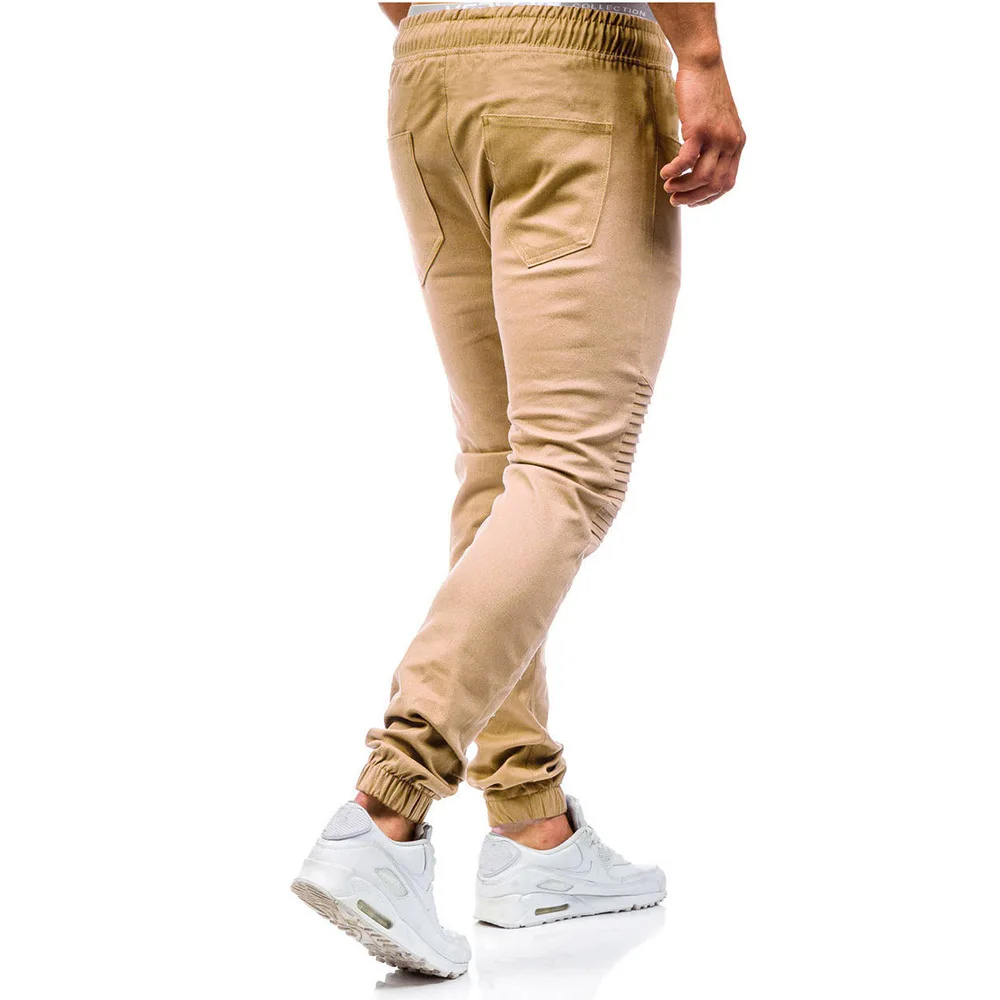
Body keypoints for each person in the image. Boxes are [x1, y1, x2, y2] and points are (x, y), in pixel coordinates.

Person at [291, 1, 743, 979]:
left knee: (501, 462)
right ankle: (388, 805)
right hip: (568, 70)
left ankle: (532, 831)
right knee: (566, 469)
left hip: (433, 71)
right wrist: (700, 55)